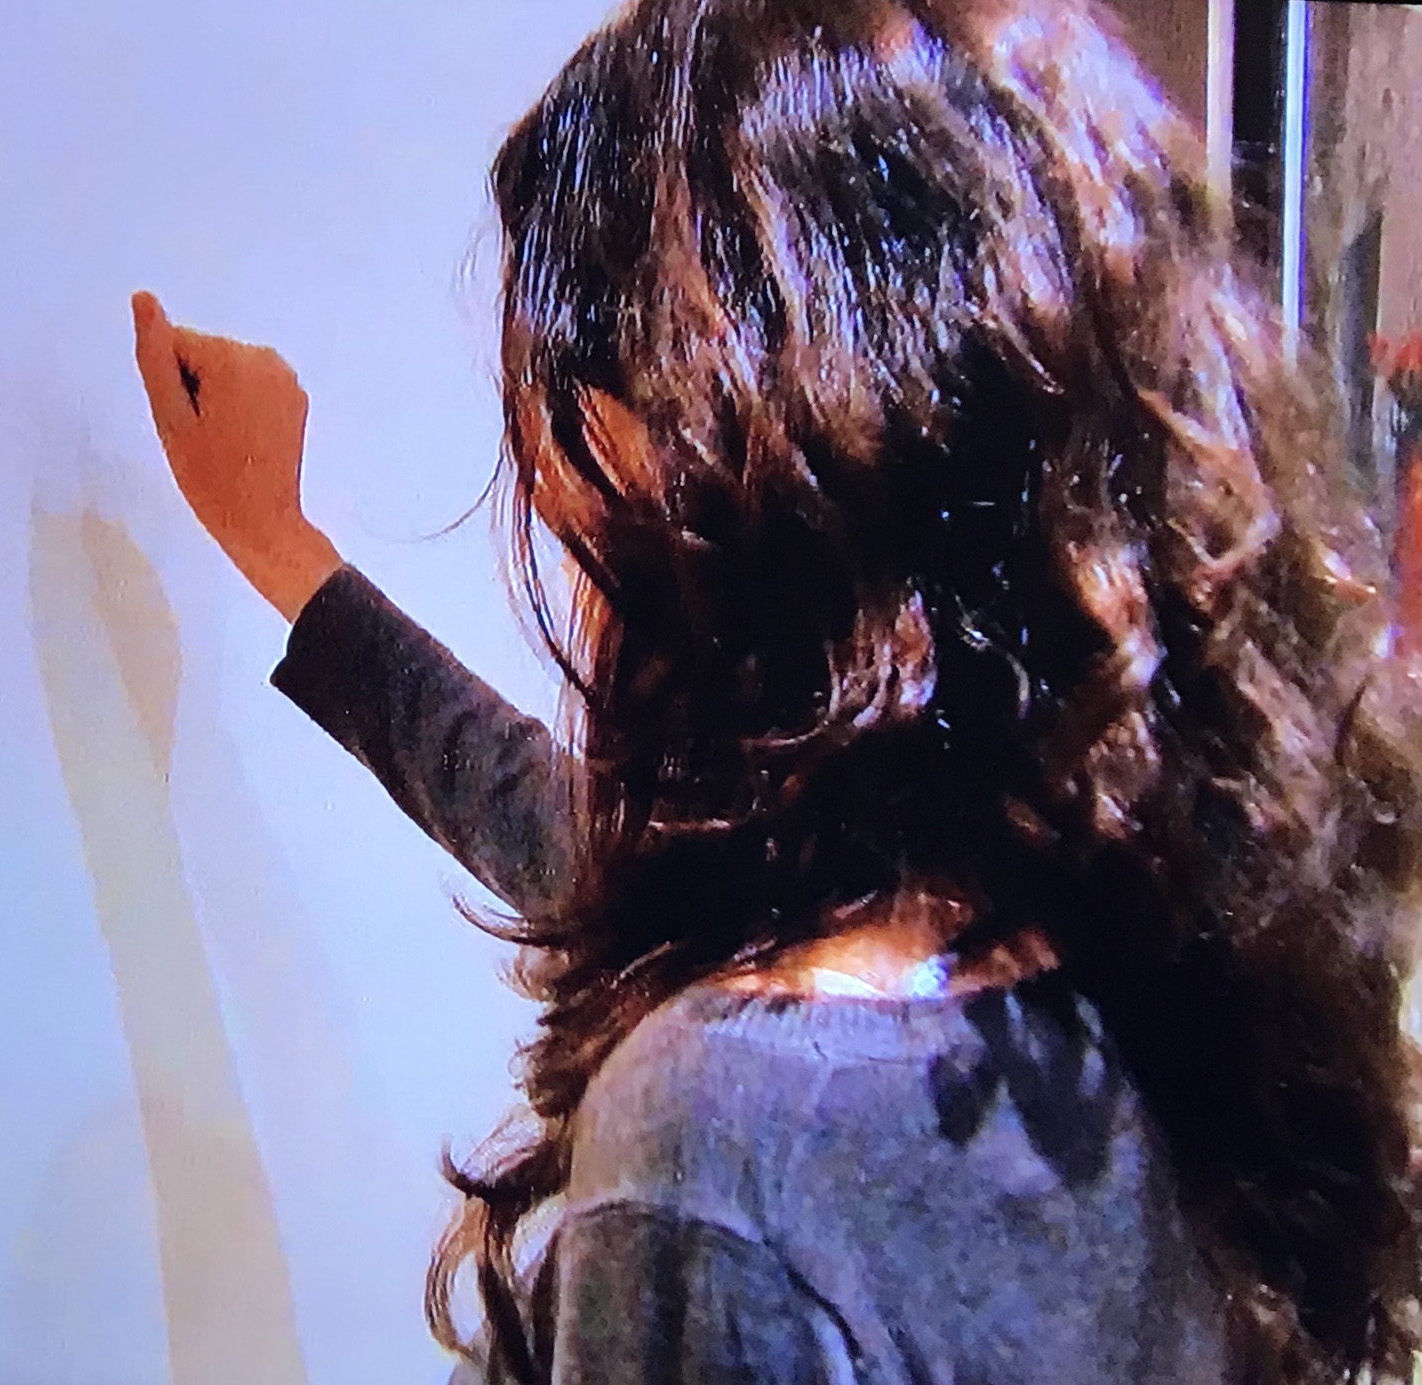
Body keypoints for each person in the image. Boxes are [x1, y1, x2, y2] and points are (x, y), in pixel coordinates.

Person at [130, 0, 1422, 1379]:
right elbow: (580, 850)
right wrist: (289, 557)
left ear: (710, 490)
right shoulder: (1135, 962)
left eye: (585, 481)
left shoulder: (725, 1142)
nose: (575, 559)